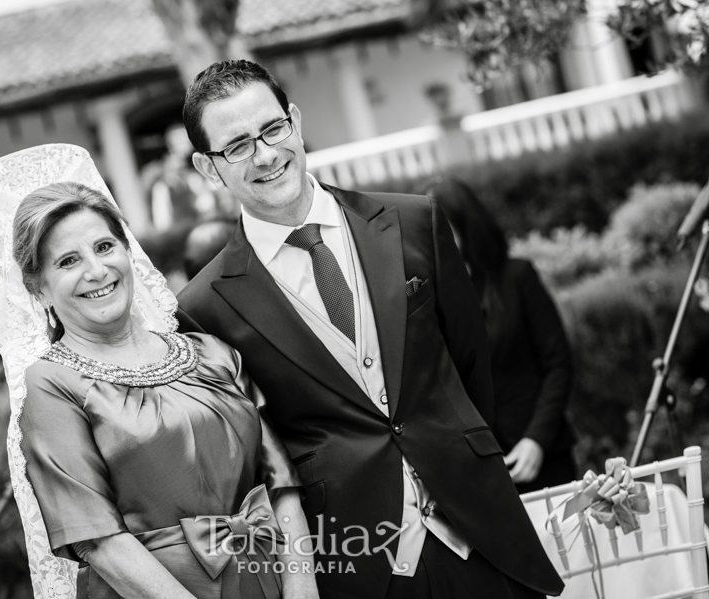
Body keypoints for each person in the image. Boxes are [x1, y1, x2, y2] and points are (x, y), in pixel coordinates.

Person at [176, 60, 563, 599]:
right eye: (237, 146)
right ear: (208, 168)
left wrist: (460, 452)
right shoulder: (202, 306)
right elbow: (254, 453)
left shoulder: (414, 223)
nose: (265, 154)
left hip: (482, 529)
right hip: (358, 560)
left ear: (295, 120)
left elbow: (473, 364)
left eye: (272, 129)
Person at [0, 144, 319, 599]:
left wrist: (301, 590)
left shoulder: (213, 353)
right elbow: (99, 541)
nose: (97, 271)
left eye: (104, 247)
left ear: (127, 251)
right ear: (38, 289)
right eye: (68, 261)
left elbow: (281, 484)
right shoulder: (51, 387)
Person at [426, 177, 577, 494]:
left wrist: (537, 439)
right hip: (479, 470)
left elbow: (558, 363)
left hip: (540, 452)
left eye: (443, 228)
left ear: (467, 225)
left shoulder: (517, 277)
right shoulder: (427, 300)